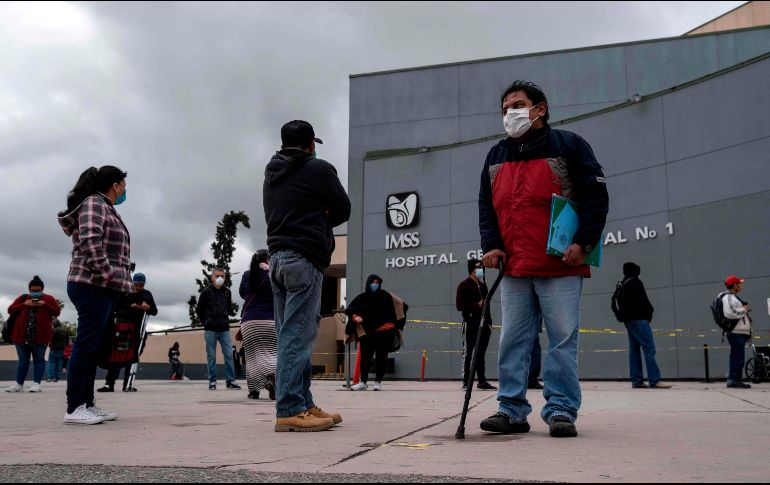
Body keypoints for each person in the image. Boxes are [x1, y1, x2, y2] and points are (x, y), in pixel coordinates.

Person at [478, 81, 609, 438]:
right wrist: (491, 245)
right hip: (515, 268)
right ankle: (511, 409)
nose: (510, 114)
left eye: (517, 105)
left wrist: (584, 242)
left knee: (562, 338)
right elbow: (487, 207)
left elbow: (596, 197)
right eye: (505, 109)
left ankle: (562, 409)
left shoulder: (570, 145)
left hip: (560, 264)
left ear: (540, 109)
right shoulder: (495, 155)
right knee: (513, 340)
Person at [264, 119, 350, 432]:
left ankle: (303, 403)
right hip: (304, 258)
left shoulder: (271, 172)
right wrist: (321, 213)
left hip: (277, 259)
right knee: (296, 337)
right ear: (311, 144)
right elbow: (343, 209)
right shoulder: (319, 169)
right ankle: (288, 409)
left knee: (290, 333)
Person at [58, 165, 132, 424]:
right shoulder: (94, 204)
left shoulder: (107, 208)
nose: (125, 190)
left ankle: (87, 404)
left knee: (92, 346)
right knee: (86, 344)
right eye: (123, 184)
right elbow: (90, 240)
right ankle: (74, 407)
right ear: (115, 185)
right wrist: (107, 274)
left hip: (102, 286)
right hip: (91, 284)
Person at [346, 275, 409, 392]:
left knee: (382, 357)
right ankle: (363, 382)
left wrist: (395, 323)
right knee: (365, 358)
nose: (375, 284)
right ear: (368, 283)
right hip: (367, 333)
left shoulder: (386, 296)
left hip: (385, 332)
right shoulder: (362, 297)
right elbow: (350, 310)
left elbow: (401, 304)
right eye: (373, 282)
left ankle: (378, 382)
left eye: (377, 282)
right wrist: (356, 317)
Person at [614, 262, 672, 389]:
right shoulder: (636, 282)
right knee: (649, 348)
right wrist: (648, 316)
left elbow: (614, 302)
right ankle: (655, 380)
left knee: (634, 350)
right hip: (640, 320)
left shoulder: (622, 283)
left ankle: (637, 380)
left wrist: (622, 318)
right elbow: (644, 301)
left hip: (629, 322)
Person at [97, 272, 157, 393]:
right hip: (122, 328)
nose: (139, 287)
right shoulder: (124, 292)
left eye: (141, 285)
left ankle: (127, 384)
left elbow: (154, 311)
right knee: (116, 356)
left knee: (133, 356)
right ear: (132, 283)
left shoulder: (147, 294)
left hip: (137, 330)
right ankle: (109, 384)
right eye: (136, 285)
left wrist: (147, 307)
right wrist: (132, 306)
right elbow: (116, 308)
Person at [5, 276, 61, 393]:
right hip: (21, 336)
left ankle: (37, 383)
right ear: (29, 289)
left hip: (41, 337)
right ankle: (18, 384)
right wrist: (24, 305)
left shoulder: (48, 299)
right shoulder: (23, 298)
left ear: (42, 289)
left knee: (39, 360)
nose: (36, 293)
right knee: (22, 361)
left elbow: (57, 312)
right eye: (33, 290)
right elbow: (10, 310)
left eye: (38, 290)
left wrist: (44, 305)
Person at [239, 250, 277, 400]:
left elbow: (242, 293)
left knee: (252, 357)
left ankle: (254, 390)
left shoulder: (247, 275)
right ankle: (271, 378)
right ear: (269, 259)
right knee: (272, 354)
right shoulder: (273, 274)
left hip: (249, 322)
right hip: (271, 320)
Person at [197, 268, 241, 391]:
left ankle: (230, 381)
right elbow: (199, 309)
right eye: (217, 276)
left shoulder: (227, 292)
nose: (219, 278)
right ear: (212, 278)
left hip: (224, 329)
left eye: (222, 276)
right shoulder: (206, 292)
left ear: (225, 277)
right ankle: (212, 381)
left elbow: (227, 307)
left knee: (228, 354)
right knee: (211, 356)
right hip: (210, 329)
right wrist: (205, 321)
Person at [456, 259, 496, 391]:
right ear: (472, 270)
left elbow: (487, 306)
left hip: (484, 325)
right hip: (470, 323)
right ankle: (466, 381)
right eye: (478, 267)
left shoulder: (483, 286)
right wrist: (476, 305)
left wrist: (489, 323)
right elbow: (459, 306)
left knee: (480, 353)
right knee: (468, 353)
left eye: (482, 267)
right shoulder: (463, 285)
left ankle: (482, 381)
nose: (481, 270)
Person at [722, 275, 752, 389]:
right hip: (735, 332)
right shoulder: (728, 297)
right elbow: (731, 313)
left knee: (737, 356)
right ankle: (734, 380)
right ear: (734, 285)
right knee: (737, 357)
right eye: (739, 284)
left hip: (739, 332)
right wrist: (744, 310)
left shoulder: (733, 297)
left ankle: (734, 379)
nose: (740, 286)